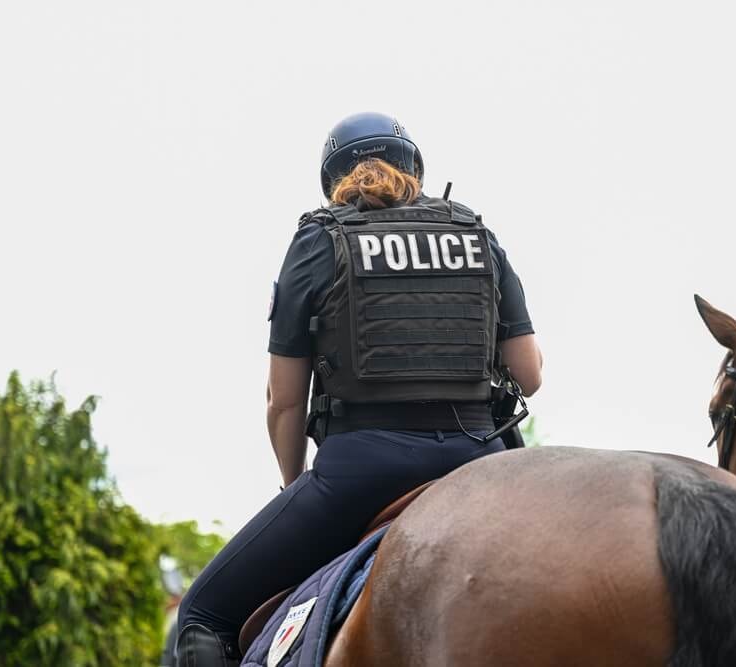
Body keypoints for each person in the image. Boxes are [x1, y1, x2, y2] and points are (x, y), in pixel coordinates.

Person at [175, 112, 542, 666]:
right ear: (413, 170)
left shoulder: (319, 239)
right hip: (480, 462)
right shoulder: (476, 234)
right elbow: (531, 376)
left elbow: (284, 400)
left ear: (334, 182)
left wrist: (294, 484)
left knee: (203, 613)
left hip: (359, 473)